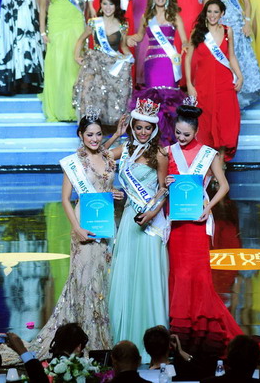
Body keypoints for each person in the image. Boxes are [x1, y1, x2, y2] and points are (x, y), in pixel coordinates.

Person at [29, 113, 123, 359]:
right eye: (89, 134)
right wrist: (77, 229)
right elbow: (65, 199)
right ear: (80, 136)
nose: (94, 138)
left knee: (102, 280)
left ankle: (102, 335)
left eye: (98, 134)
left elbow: (103, 181)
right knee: (84, 279)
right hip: (84, 224)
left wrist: (113, 191)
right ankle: (83, 338)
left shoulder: (106, 156)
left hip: (106, 224)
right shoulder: (75, 163)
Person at [165, 100, 243, 357]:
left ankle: (200, 323)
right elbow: (161, 188)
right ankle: (178, 326)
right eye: (178, 133)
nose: (181, 138)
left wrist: (208, 208)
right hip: (176, 223)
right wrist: (164, 182)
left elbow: (223, 186)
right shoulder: (168, 152)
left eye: (186, 134)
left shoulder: (208, 154)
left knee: (197, 275)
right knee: (178, 274)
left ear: (196, 131)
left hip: (197, 223)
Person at [106, 98, 169, 362]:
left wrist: (153, 212)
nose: (142, 132)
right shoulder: (126, 147)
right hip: (131, 218)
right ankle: (124, 341)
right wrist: (115, 135)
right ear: (132, 126)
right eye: (138, 127)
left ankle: (153, 343)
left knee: (148, 276)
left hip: (151, 220)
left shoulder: (160, 154)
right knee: (127, 274)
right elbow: (96, 158)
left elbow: (163, 189)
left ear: (154, 128)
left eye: (147, 128)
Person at [127, 0, 188, 146]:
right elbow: (140, 36)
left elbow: (184, 40)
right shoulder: (147, 17)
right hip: (152, 64)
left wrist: (186, 47)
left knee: (170, 102)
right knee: (154, 101)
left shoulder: (174, 16)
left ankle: (170, 142)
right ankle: (155, 142)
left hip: (169, 63)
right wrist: (131, 38)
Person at [185, 0, 242, 164]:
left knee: (226, 122)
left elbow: (231, 56)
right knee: (206, 123)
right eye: (209, 11)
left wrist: (240, 75)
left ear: (222, 13)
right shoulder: (198, 31)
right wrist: (189, 84)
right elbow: (188, 59)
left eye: (216, 12)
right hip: (203, 85)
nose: (212, 15)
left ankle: (221, 164)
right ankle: (208, 166)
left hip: (224, 84)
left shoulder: (227, 31)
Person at [73, 0, 133, 125]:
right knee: (90, 94)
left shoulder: (122, 25)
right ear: (100, 5)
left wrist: (129, 57)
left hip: (113, 64)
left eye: (111, 4)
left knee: (113, 98)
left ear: (116, 6)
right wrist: (76, 56)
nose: (107, 7)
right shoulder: (94, 23)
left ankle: (113, 129)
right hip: (95, 63)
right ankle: (88, 128)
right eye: (105, 4)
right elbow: (80, 40)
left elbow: (123, 47)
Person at [39, 0, 85, 121]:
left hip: (75, 21)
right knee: (57, 65)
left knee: (73, 65)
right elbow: (43, 7)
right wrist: (43, 32)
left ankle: (73, 107)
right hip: (57, 22)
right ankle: (58, 106)